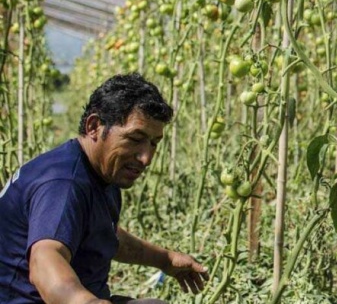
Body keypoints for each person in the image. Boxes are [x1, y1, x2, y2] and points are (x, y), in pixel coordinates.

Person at [0, 73, 209, 304]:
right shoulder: (64, 185)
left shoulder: (100, 172)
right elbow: (45, 261)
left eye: (153, 143)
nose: (146, 158)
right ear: (94, 126)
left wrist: (165, 259)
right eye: (135, 138)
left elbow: (103, 234)